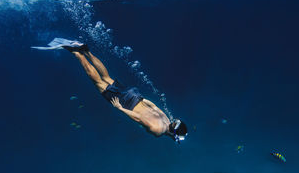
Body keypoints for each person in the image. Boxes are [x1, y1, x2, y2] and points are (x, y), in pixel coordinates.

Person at [33, 38, 188, 143]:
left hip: (135, 96)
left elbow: (153, 106)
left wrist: (139, 98)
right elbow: (139, 119)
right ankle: (75, 52)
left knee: (107, 77)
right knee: (98, 82)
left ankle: (86, 51)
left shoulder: (167, 118)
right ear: (174, 135)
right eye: (176, 138)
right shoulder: (158, 131)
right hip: (126, 104)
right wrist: (120, 108)